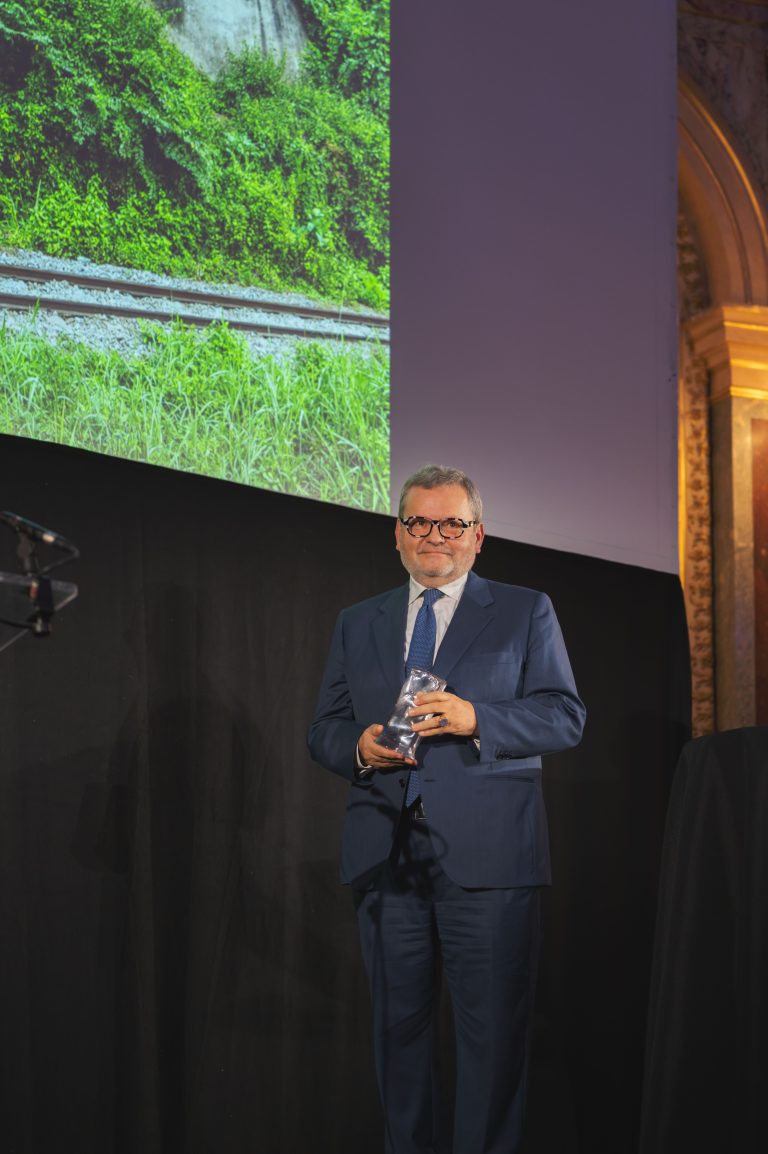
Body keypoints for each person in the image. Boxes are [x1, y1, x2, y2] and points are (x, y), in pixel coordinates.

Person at [308, 464, 585, 1154]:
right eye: (419, 523)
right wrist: (364, 748)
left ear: (478, 536)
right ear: (397, 536)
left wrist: (474, 717)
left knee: (491, 1048)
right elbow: (324, 730)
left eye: (451, 523)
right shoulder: (357, 621)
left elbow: (564, 717)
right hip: (384, 856)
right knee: (398, 1048)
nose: (435, 536)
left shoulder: (525, 610)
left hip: (489, 864)